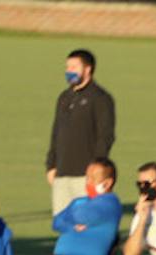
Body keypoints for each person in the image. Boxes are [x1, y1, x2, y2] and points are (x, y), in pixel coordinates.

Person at [45, 49, 115, 217]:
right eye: (67, 67)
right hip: (61, 174)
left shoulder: (100, 98)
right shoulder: (64, 97)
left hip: (86, 176)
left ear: (87, 69)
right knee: (62, 221)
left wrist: (95, 171)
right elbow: (56, 133)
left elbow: (105, 136)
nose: (69, 71)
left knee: (86, 221)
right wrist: (51, 165)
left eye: (74, 67)